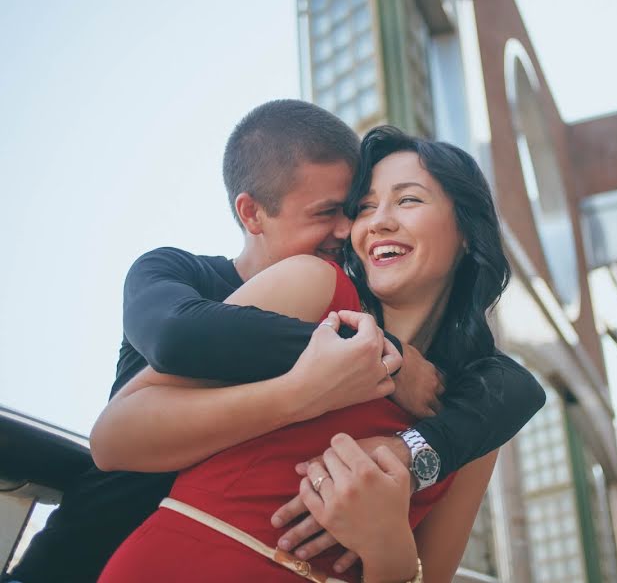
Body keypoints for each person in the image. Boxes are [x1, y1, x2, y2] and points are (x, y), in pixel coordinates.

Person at [5, 101, 544, 583]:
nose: (361, 226)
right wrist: (360, 369)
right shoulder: (291, 284)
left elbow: (429, 570)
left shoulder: (475, 408)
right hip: (100, 558)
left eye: (404, 201)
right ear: (251, 213)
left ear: (467, 229)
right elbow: (165, 351)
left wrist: (389, 548)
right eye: (354, 208)